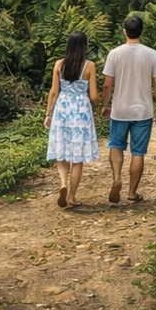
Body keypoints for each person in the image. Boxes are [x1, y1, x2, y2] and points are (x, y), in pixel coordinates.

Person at [100, 14, 156, 204]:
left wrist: (105, 105)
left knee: (115, 145)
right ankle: (131, 193)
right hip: (143, 112)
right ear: (141, 31)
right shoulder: (152, 54)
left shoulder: (115, 53)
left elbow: (107, 84)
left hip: (119, 110)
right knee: (138, 153)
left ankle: (116, 178)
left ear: (124, 31)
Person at [44, 30, 98, 208]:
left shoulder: (59, 64)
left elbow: (53, 92)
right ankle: (72, 197)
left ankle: (63, 184)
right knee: (78, 158)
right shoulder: (89, 66)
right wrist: (100, 105)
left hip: (62, 109)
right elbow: (94, 96)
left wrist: (48, 114)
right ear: (85, 47)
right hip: (81, 111)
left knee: (62, 151)